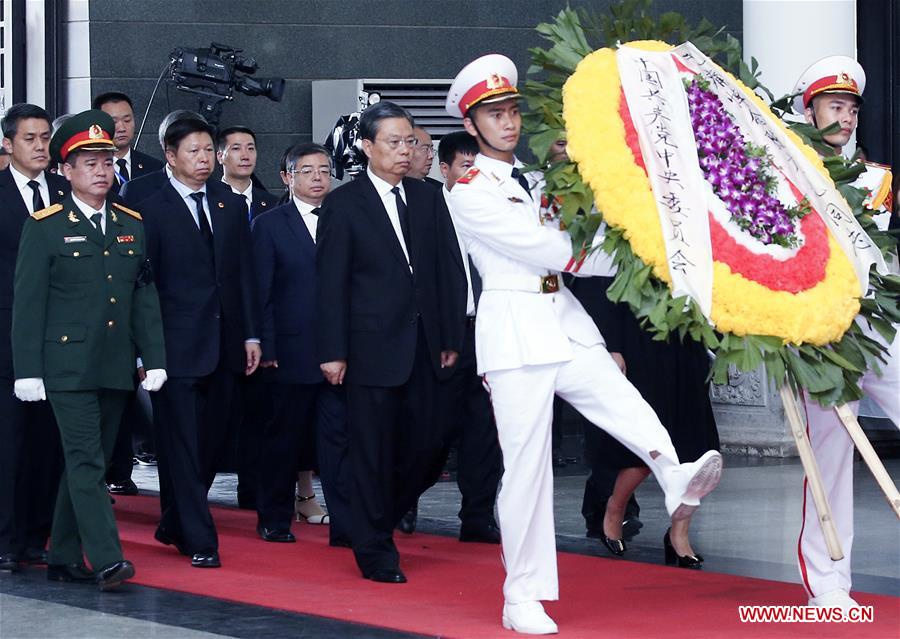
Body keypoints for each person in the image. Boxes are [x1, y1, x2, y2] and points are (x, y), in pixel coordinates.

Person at [446, 54, 723, 635]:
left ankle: (675, 474)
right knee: (526, 470)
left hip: (561, 316)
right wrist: (635, 256)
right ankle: (521, 595)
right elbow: (547, 249)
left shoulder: (539, 180)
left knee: (623, 402)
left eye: (513, 111)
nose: (509, 123)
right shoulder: (469, 192)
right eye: (493, 115)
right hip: (516, 328)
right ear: (471, 126)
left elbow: (585, 227)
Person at [11, 109, 167, 590]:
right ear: (66, 171)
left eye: (106, 161)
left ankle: (61, 553)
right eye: (89, 163)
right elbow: (28, 303)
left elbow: (143, 295)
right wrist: (28, 371)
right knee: (86, 461)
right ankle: (106, 557)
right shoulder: (45, 226)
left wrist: (154, 357)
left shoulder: (130, 223)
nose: (101, 170)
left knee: (88, 459)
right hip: (66, 366)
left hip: (115, 363)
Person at [316, 101, 465, 584]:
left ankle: (376, 516)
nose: (405, 152)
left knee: (431, 443)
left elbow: (447, 272)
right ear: (367, 146)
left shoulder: (427, 198)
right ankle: (375, 548)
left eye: (411, 142)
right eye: (395, 142)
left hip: (425, 345)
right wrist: (332, 350)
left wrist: (449, 335)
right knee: (372, 450)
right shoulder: (343, 204)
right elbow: (330, 284)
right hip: (369, 349)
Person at [790, 55, 899, 612]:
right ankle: (829, 581)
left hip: (873, 321)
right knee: (829, 450)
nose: (848, 116)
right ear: (809, 111)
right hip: (816, 328)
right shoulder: (783, 178)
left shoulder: (877, 179)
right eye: (835, 105)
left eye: (853, 107)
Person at [140, 117, 260, 569]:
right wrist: (144, 350)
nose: (205, 159)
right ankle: (199, 537)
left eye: (210, 150)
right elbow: (142, 285)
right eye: (194, 151)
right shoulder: (150, 207)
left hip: (226, 343)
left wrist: (250, 333)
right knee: (184, 444)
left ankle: (174, 520)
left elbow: (243, 274)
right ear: (171, 157)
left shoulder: (229, 202)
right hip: (174, 347)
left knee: (210, 445)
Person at [251, 142, 350, 546]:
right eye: (306, 171)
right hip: (290, 352)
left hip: (340, 352)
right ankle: (274, 517)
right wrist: (266, 345)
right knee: (283, 440)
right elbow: (262, 291)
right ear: (287, 177)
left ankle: (345, 521)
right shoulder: (270, 224)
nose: (317, 178)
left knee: (339, 441)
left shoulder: (346, 219)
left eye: (324, 170)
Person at [0, 104, 68, 572]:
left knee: (50, 443)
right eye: (30, 138)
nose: (41, 146)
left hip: (61, 341)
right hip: (5, 339)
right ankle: (5, 538)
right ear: (8, 143)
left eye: (46, 137)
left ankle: (38, 535)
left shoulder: (66, 191)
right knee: (9, 444)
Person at [436, 130, 502, 543]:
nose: (474, 175)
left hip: (490, 331)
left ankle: (477, 515)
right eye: (465, 167)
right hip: (445, 334)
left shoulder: (499, 208)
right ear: (444, 169)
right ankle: (404, 503)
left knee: (486, 430)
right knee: (432, 427)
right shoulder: (427, 209)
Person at [120, 110, 207, 207]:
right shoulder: (136, 191)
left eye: (208, 149)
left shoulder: (222, 191)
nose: (204, 157)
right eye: (194, 150)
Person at [92, 92, 165, 193]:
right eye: (113, 122)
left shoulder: (154, 167)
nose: (122, 128)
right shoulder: (90, 170)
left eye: (127, 120)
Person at [216, 126, 278, 219]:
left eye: (250, 148)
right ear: (220, 156)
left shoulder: (274, 204)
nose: (245, 156)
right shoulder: (208, 200)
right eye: (236, 148)